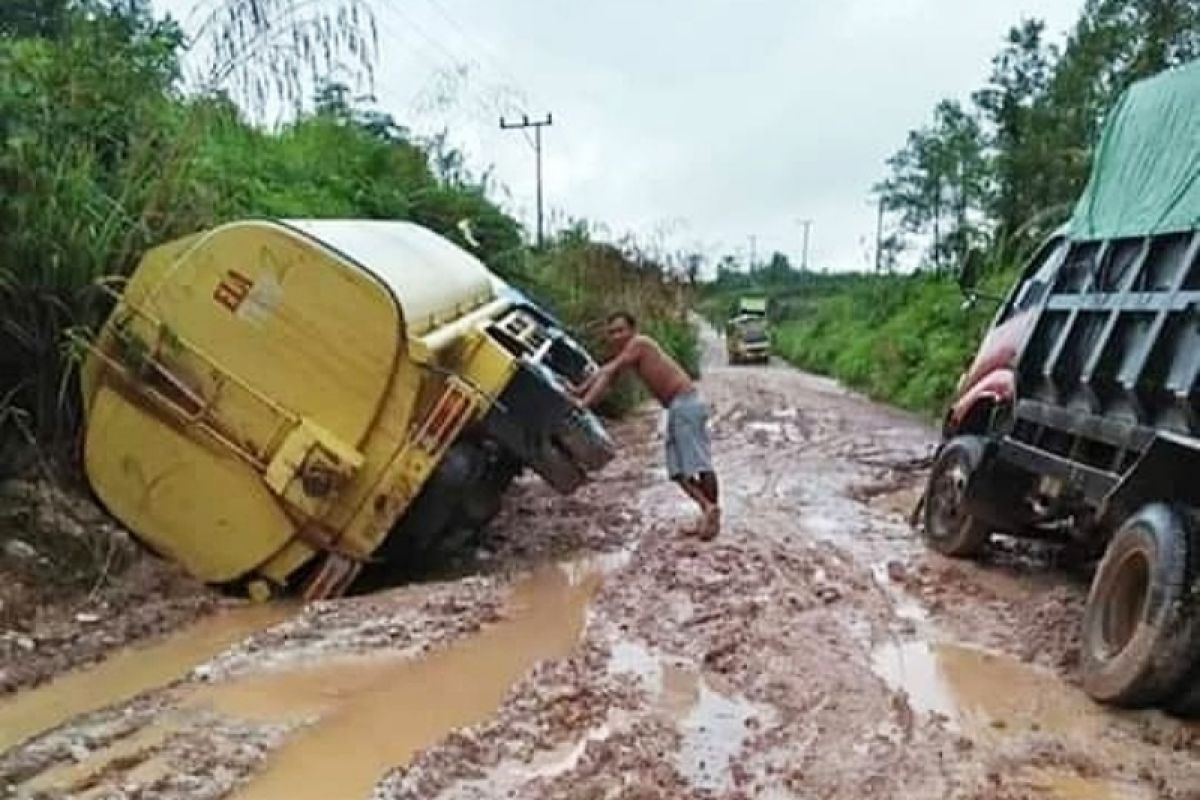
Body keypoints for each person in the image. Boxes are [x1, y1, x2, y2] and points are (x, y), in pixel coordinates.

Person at [572, 311, 720, 539]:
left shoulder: (640, 344)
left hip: (685, 405)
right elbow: (606, 374)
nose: (616, 335)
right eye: (612, 332)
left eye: (621, 330)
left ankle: (710, 515)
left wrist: (583, 403)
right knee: (678, 470)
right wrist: (579, 393)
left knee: (699, 465)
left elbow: (608, 371)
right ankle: (708, 510)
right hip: (679, 408)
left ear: (633, 330)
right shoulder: (630, 351)